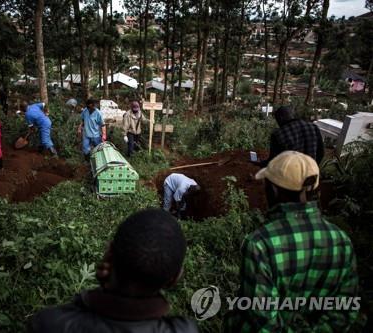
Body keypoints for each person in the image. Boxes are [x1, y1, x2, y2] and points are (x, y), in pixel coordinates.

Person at [226, 151, 360, 332]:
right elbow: (345, 310)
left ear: (273, 189)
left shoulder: (260, 244)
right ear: (315, 189)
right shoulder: (341, 241)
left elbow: (262, 317)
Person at [27, 208, 198, 333]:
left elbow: (74, 315)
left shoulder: (47, 323)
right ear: (174, 279)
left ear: (108, 253)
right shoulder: (185, 329)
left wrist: (101, 292)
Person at [259, 106, 324, 167]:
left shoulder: (278, 134)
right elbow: (321, 152)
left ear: (280, 118)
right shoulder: (313, 127)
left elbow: (273, 161)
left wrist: (260, 163)